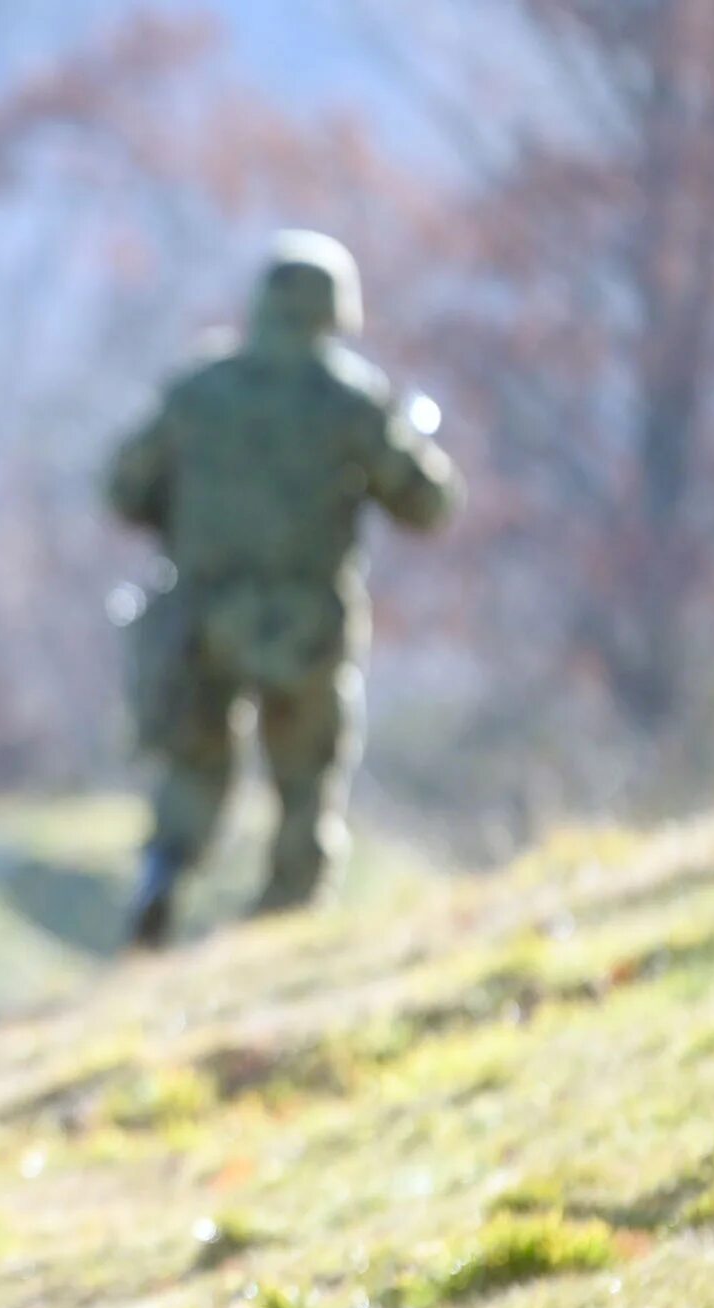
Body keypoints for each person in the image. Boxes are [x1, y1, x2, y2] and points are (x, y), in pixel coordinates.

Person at [105, 230, 460, 948]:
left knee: (194, 764)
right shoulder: (349, 400)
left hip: (199, 613)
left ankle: (163, 873)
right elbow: (426, 506)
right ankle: (284, 923)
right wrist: (408, 444)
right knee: (306, 777)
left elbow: (123, 489)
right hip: (304, 617)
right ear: (335, 310)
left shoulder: (198, 390)